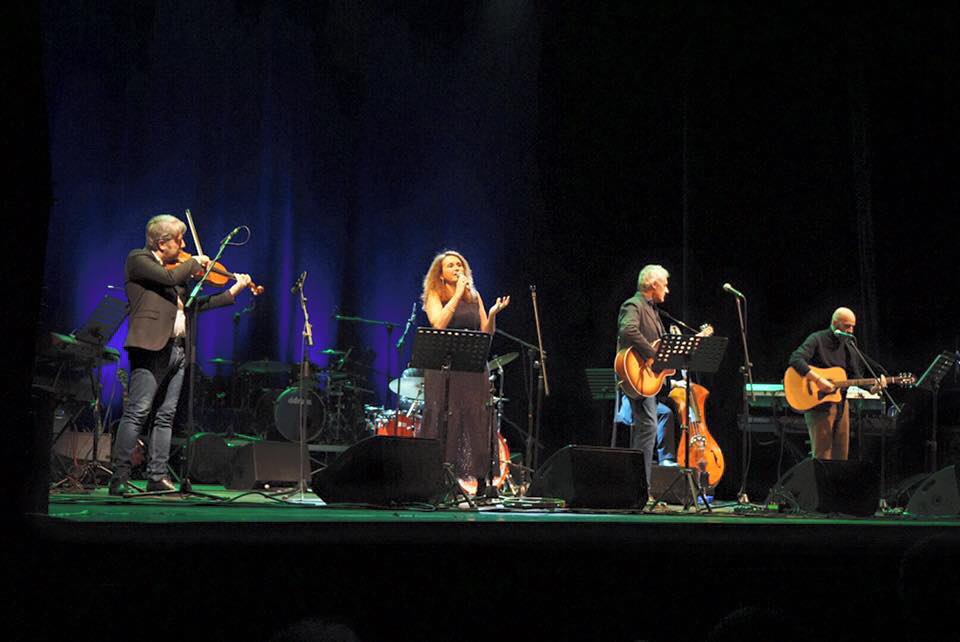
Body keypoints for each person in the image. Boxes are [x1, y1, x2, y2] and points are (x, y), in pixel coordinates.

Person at [108, 214, 252, 494]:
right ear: (162, 243)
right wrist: (194, 263)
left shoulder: (177, 274)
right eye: (179, 240)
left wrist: (233, 289)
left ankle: (157, 476)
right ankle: (120, 477)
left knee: (166, 415)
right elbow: (169, 276)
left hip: (178, 349)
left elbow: (193, 306)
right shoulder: (139, 260)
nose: (184, 245)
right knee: (138, 411)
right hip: (150, 346)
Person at [420, 250, 509, 495]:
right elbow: (438, 324)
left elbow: (486, 333)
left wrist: (492, 314)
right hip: (445, 370)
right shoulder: (435, 294)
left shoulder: (474, 296)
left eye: (459, 264)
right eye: (451, 265)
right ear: (441, 274)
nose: (457, 268)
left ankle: (481, 480)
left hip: (472, 368)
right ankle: (442, 478)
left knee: (476, 421)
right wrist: (457, 294)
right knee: (446, 419)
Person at [787, 306, 884, 460]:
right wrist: (818, 379)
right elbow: (796, 359)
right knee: (822, 455)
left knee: (841, 455)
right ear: (835, 323)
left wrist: (872, 388)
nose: (851, 330)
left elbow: (855, 377)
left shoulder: (849, 347)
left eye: (853, 326)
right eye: (847, 326)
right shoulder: (817, 339)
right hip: (819, 405)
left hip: (841, 404)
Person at [617, 264, 672, 486]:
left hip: (648, 379)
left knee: (654, 421)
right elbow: (628, 330)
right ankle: (640, 487)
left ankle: (638, 486)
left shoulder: (654, 311)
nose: (667, 290)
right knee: (648, 426)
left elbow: (660, 345)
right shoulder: (634, 304)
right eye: (664, 285)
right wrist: (652, 355)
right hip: (636, 375)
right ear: (653, 284)